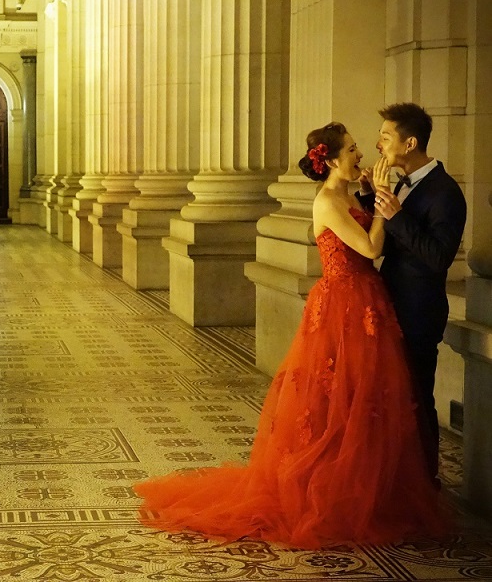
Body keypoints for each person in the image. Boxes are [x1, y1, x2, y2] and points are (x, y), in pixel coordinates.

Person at [133, 122, 448, 549]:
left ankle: (368, 491)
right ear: (331, 161)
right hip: (343, 305)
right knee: (333, 401)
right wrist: (381, 204)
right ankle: (329, 493)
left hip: (368, 301)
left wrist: (371, 198)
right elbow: (372, 249)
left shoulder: (347, 194)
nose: (361, 154)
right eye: (352, 149)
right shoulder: (327, 202)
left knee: (366, 400)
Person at [358, 103, 467, 488]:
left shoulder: (446, 192)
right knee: (392, 397)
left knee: (417, 397)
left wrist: (396, 215)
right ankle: (396, 479)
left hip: (419, 311)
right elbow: (391, 245)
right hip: (392, 304)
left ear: (410, 143)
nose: (378, 144)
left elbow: (438, 258)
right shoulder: (402, 183)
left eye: (386, 137)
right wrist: (371, 198)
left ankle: (424, 483)